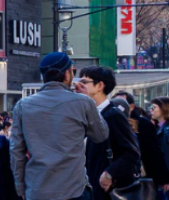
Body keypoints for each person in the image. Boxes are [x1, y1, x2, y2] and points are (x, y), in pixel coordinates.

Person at [8, 52, 106, 200]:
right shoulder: (82, 103)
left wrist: (20, 187)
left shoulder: (23, 106)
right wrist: (89, 100)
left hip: (37, 190)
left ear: (43, 77)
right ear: (67, 74)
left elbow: (16, 152)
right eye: (72, 71)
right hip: (73, 190)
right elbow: (101, 135)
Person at [74, 66, 141, 199]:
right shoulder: (83, 113)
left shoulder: (113, 115)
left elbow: (132, 152)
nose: (78, 86)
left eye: (84, 82)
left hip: (106, 190)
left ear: (99, 86)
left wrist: (110, 173)